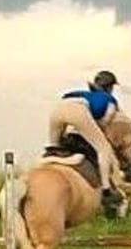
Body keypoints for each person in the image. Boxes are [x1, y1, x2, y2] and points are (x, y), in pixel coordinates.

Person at [48, 70, 125, 215]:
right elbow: (104, 122)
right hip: (78, 111)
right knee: (104, 149)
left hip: (57, 110)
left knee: (54, 149)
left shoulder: (79, 93)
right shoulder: (109, 99)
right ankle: (106, 190)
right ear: (110, 87)